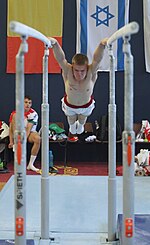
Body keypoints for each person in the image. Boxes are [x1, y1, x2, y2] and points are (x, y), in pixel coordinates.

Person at [49, 37, 108, 135]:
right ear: (72, 67)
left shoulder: (91, 72)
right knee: (71, 122)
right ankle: (73, 126)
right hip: (70, 105)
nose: (79, 74)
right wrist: (55, 44)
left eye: (82, 71)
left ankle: (81, 125)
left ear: (87, 68)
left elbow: (97, 59)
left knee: (82, 119)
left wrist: (102, 45)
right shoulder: (68, 71)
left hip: (86, 105)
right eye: (76, 70)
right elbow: (61, 59)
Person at [8, 96, 41, 171]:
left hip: (30, 132)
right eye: (26, 102)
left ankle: (30, 164)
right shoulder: (14, 113)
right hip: (18, 132)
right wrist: (11, 142)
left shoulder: (33, 114)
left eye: (30, 103)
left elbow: (28, 129)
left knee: (38, 139)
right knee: (14, 116)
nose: (28, 104)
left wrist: (21, 143)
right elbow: (11, 128)